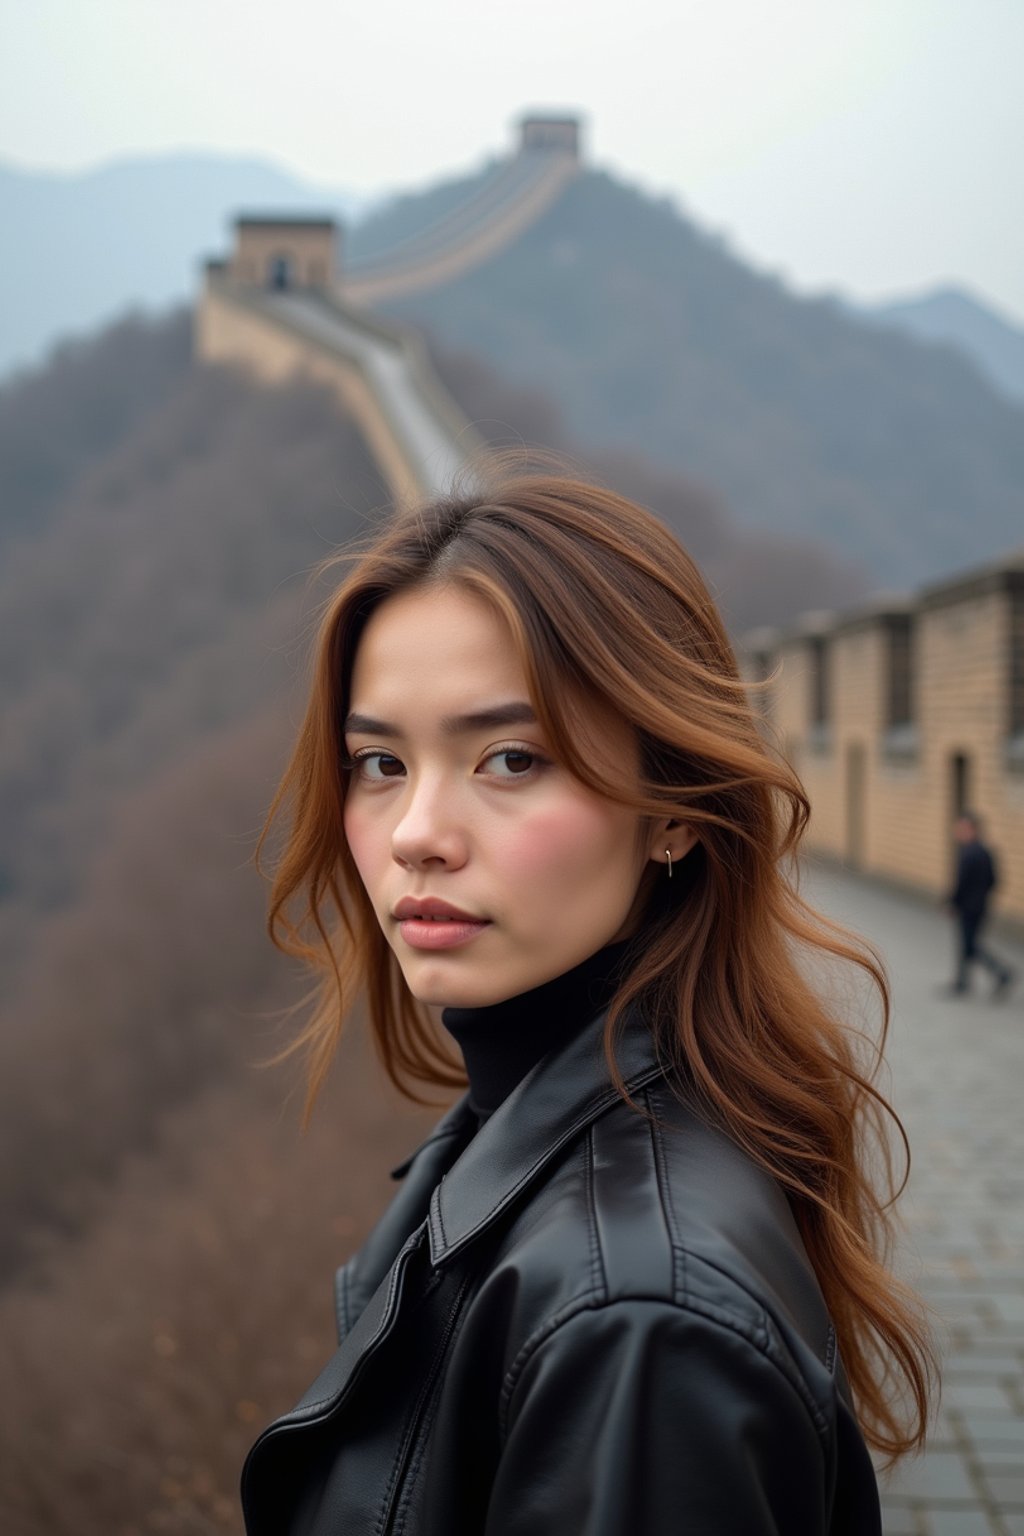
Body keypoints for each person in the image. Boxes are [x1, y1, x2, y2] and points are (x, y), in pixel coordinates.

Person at [242, 464, 934, 1535]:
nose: (418, 831)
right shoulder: (543, 1136)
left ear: (674, 812)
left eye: (510, 759)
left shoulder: (637, 1322)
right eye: (379, 762)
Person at [946, 812, 1015, 997]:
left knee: (970, 946)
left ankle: (1003, 973)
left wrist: (953, 902)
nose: (958, 832)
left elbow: (961, 883)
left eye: (961, 829)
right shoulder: (985, 851)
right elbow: (994, 880)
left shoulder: (968, 853)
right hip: (981, 906)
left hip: (968, 907)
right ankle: (962, 982)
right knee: (968, 944)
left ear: (971, 830)